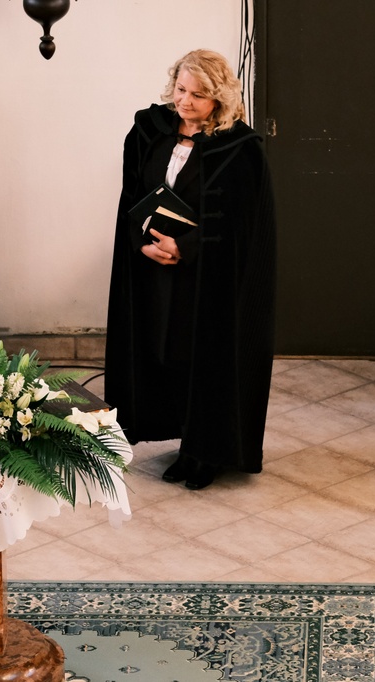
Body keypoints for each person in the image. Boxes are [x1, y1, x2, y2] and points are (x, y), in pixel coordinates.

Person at [104, 49, 276, 490]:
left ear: (219, 97)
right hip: (154, 272)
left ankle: (206, 453)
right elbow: (130, 196)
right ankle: (184, 442)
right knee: (163, 354)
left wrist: (185, 247)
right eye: (181, 90)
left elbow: (243, 224)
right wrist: (142, 243)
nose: (185, 101)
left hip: (208, 279)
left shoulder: (239, 148)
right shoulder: (148, 131)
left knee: (203, 360)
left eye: (198, 95)